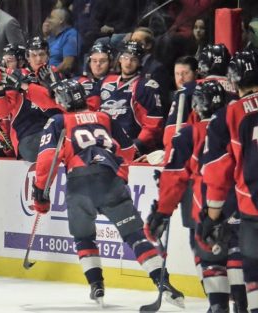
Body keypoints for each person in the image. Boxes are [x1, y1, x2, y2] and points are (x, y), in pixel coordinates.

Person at [32, 78, 184, 307]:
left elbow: (46, 162)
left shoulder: (58, 121)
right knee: (135, 235)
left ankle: (97, 286)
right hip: (110, 181)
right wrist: (119, 176)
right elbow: (129, 152)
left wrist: (40, 194)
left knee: (84, 236)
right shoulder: (105, 117)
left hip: (80, 183)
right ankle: (163, 283)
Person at [145, 81, 247, 312]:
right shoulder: (237, 125)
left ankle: (218, 306)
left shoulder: (188, 134)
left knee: (209, 257)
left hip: (207, 202)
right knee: (237, 253)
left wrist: (162, 212)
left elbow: (174, 178)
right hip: (242, 200)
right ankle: (242, 306)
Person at [202, 48, 258, 313]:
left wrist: (212, 215)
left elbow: (218, 170)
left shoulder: (228, 114)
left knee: (255, 273)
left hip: (253, 205)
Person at [99, 41, 164, 155]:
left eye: (133, 59)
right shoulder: (105, 81)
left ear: (139, 63)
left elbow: (153, 124)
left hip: (131, 146)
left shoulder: (146, 86)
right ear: (119, 59)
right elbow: (89, 109)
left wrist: (136, 146)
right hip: (103, 143)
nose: (128, 63)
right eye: (125, 57)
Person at [77, 41, 113, 111]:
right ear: (89, 62)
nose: (98, 64)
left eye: (102, 61)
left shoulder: (118, 83)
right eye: (94, 61)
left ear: (110, 63)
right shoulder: (77, 82)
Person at [46, 7, 81, 74]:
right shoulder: (51, 37)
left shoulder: (71, 35)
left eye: (52, 17)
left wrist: (51, 74)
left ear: (61, 20)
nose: (48, 20)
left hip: (61, 78)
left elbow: (67, 64)